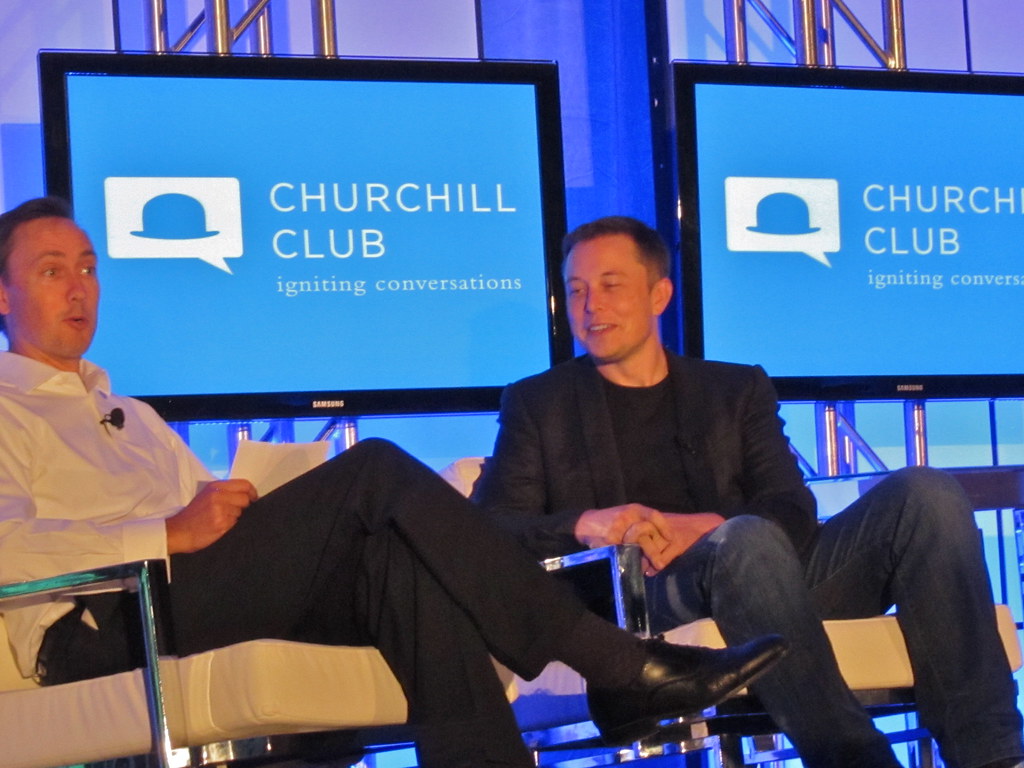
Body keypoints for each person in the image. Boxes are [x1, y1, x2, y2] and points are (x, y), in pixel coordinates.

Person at [0, 198, 785, 768]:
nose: (79, 288)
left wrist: (239, 509)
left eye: (89, 269)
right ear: (3, 296)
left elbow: (216, 525)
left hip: (184, 593)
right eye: (51, 271)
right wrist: (165, 533)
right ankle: (618, 667)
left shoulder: (132, 415)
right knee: (374, 468)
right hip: (96, 623)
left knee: (398, 564)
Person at [473, 215, 1024, 768]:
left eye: (610, 286)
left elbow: (792, 508)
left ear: (659, 294)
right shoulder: (539, 404)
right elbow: (488, 530)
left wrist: (705, 528)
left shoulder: (734, 389)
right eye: (576, 291)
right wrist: (586, 524)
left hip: (771, 576)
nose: (591, 306)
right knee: (747, 540)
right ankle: (855, 760)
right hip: (650, 599)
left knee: (926, 493)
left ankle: (993, 758)